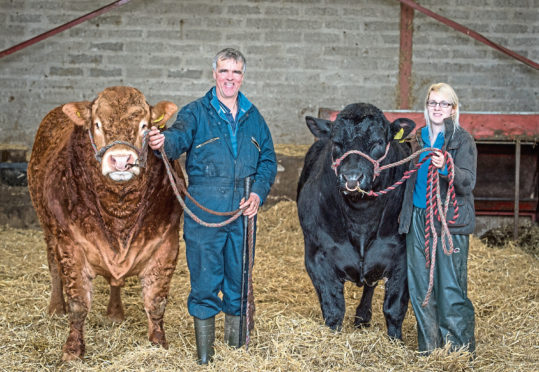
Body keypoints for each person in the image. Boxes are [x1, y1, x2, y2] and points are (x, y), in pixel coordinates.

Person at [148, 47, 277, 364]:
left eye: (235, 72)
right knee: (205, 283)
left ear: (242, 77)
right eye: (224, 71)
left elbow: (268, 161)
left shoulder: (253, 116)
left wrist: (258, 193)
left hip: (244, 211)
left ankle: (234, 355)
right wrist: (163, 141)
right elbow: (178, 139)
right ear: (214, 75)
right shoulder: (196, 113)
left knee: (239, 282)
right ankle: (205, 359)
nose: (229, 78)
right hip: (204, 208)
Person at [398, 83, 477, 355]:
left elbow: (467, 183)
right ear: (426, 106)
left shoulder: (461, 140)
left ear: (453, 109)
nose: (438, 108)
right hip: (418, 220)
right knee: (422, 288)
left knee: (451, 289)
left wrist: (447, 169)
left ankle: (457, 353)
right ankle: (430, 351)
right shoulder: (416, 140)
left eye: (444, 104)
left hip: (448, 221)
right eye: (433, 103)